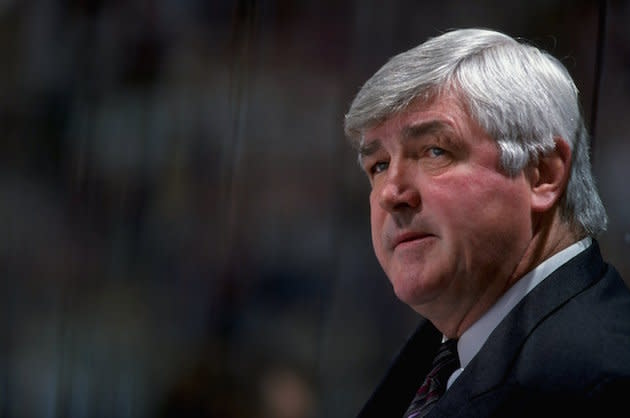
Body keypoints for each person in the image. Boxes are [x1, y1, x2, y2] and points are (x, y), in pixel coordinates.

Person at [343, 28, 630, 417]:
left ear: (542, 174)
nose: (390, 193)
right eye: (378, 165)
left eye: (434, 150)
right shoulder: (446, 350)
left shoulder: (596, 384)